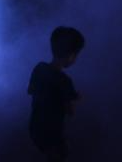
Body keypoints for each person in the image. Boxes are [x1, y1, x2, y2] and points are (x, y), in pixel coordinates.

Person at [28, 26, 85, 161]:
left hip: (35, 128)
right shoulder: (64, 81)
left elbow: (31, 90)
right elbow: (70, 111)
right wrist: (76, 98)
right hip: (52, 133)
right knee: (60, 153)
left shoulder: (39, 68)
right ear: (71, 55)